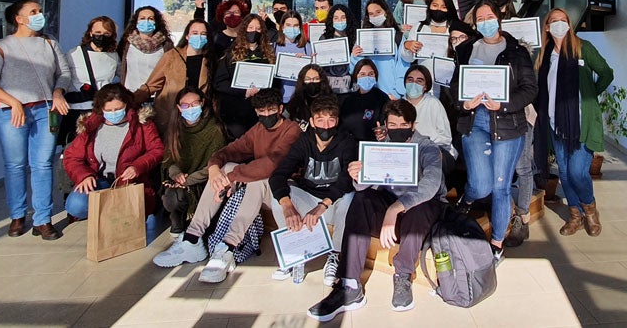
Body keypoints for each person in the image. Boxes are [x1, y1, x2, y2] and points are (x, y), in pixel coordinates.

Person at [307, 99, 445, 320]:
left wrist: (395, 209)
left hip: (419, 213)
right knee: (361, 198)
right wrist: (358, 175)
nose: (398, 129)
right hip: (390, 208)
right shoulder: (380, 147)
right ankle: (350, 285)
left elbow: (431, 184)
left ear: (413, 125)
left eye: (404, 125)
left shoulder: (427, 148)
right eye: (393, 125)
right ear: (386, 125)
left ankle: (403, 275)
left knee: (421, 207)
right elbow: (364, 186)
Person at [153, 88, 301, 283]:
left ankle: (228, 248)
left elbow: (272, 164)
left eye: (271, 110)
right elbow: (231, 150)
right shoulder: (258, 129)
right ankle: (193, 237)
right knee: (226, 167)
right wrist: (214, 167)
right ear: (256, 112)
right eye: (261, 111)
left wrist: (232, 177)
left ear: (280, 109)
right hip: (262, 185)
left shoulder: (292, 130)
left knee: (256, 180)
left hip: (285, 189)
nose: (266, 115)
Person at [0, 0, 74, 239]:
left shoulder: (50, 43)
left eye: (40, 11)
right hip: (10, 112)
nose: (39, 14)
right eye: (33, 12)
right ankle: (18, 215)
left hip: (45, 111)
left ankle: (43, 219)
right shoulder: (1, 47)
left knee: (42, 164)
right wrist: (13, 102)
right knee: (16, 165)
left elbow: (64, 73)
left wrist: (57, 92)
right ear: (19, 19)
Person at [451, 1, 537, 262]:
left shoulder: (517, 51)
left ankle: (497, 244)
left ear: (498, 19)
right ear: (475, 23)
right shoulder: (466, 49)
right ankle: (468, 198)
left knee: (501, 187)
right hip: (475, 122)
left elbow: (529, 89)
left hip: (508, 124)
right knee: (480, 185)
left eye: (490, 16)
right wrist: (464, 104)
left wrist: (505, 104)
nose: (486, 21)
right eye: (480, 18)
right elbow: (455, 87)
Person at [537, 7, 613, 237]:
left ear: (569, 24)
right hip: (556, 124)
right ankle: (575, 216)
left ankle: (590, 210)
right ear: (547, 27)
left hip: (581, 123)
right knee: (565, 173)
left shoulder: (583, 48)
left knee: (577, 173)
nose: (559, 24)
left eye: (563, 20)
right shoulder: (545, 55)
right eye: (554, 21)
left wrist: (590, 95)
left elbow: (606, 73)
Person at [269, 94, 357, 285]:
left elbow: (346, 180)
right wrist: (287, 206)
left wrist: (323, 206)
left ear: (337, 121)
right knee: (278, 195)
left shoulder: (346, 141)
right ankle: (294, 252)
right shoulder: (304, 141)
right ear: (311, 121)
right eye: (320, 120)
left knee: (350, 196)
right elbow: (278, 175)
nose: (325, 126)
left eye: (330, 120)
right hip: (309, 200)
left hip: (332, 205)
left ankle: (335, 255)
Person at [62, 84, 164, 237]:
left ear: (127, 105)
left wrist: (137, 166)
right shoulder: (91, 125)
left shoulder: (142, 123)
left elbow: (157, 150)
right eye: (108, 110)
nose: (114, 113)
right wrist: (84, 176)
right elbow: (72, 156)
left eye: (118, 109)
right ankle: (105, 214)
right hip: (100, 180)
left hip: (130, 182)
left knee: (135, 214)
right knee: (75, 205)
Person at [159, 86, 226, 234]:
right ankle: (177, 220)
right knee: (172, 197)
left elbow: (216, 163)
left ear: (202, 103)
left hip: (204, 180)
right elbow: (169, 160)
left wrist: (188, 180)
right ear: (179, 108)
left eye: (195, 104)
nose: (190, 108)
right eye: (185, 105)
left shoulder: (215, 129)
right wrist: (176, 175)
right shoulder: (174, 128)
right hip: (180, 180)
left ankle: (198, 224)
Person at [61, 16, 121, 147]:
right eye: (98, 32)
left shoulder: (114, 56)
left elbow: (124, 75)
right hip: (78, 112)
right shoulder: (73, 54)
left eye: (106, 33)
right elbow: (62, 76)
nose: (102, 36)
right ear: (90, 33)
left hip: (103, 111)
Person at [213, 13, 276, 139]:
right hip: (236, 112)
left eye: (258, 28)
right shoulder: (232, 53)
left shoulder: (268, 53)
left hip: (262, 111)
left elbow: (275, 83)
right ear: (244, 29)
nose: (254, 31)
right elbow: (219, 83)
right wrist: (243, 91)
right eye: (250, 28)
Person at [136, 19, 211, 111]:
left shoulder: (210, 60)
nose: (199, 37)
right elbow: (152, 84)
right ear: (187, 36)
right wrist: (132, 101)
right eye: (195, 33)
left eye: (203, 34)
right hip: (170, 111)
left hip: (197, 111)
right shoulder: (171, 56)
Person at [398, 64, 456, 176]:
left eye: (419, 81)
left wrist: (424, 144)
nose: (414, 83)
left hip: (434, 148)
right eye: (410, 80)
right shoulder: (398, 105)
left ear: (425, 86)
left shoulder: (433, 103)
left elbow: (445, 138)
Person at [119, 6, 174, 97]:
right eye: (142, 18)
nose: (146, 21)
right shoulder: (126, 43)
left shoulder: (166, 44)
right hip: (130, 95)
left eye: (150, 19)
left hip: (157, 97)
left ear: (156, 22)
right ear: (136, 21)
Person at [338, 59, 388, 142]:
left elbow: (384, 125)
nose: (367, 77)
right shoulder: (348, 100)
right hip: (348, 144)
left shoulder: (383, 99)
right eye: (362, 74)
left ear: (375, 76)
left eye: (371, 74)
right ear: (356, 76)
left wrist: (383, 133)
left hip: (370, 144)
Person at [274, 11, 315, 105]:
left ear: (300, 27)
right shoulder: (274, 47)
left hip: (301, 98)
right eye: (288, 25)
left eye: (295, 25)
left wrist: (307, 61)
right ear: (282, 27)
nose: (292, 28)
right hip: (279, 98)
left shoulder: (307, 47)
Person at [318, 4, 358, 95]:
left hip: (350, 86)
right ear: (331, 20)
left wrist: (355, 56)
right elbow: (321, 65)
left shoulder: (355, 38)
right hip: (330, 86)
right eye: (336, 18)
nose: (340, 21)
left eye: (343, 17)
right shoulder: (324, 38)